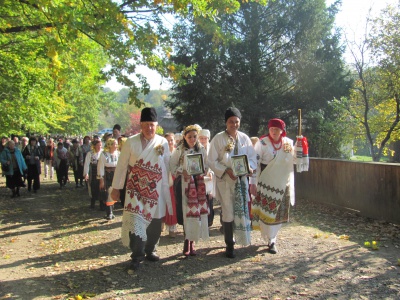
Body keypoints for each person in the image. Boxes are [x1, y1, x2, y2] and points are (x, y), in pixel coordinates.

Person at [110, 107, 171, 270]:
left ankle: (151, 249)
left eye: (152, 125)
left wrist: (171, 183)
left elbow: (167, 164)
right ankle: (137, 255)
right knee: (136, 221)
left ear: (156, 125)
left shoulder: (162, 142)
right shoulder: (131, 142)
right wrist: (116, 188)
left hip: (155, 190)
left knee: (155, 223)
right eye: (146, 124)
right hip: (135, 190)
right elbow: (122, 166)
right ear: (141, 125)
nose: (149, 128)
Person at [208, 107, 257, 258]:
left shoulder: (245, 138)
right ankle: (229, 243)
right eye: (231, 122)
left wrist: (249, 168)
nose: (234, 124)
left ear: (239, 122)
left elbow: (252, 158)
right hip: (226, 181)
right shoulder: (218, 138)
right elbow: (211, 160)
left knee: (241, 210)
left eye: (236, 122)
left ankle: (242, 238)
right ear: (226, 122)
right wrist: (225, 170)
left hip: (241, 181)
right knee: (228, 210)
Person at [250, 118, 296, 254]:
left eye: (277, 129)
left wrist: (301, 148)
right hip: (267, 183)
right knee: (267, 211)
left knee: (278, 213)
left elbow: (295, 160)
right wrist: (253, 183)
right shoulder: (262, 143)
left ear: (282, 130)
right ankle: (270, 238)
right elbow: (255, 164)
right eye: (271, 129)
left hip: (283, 183)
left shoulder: (288, 143)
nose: (274, 131)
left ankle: (273, 238)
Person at [170, 125, 209, 256]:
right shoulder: (180, 150)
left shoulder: (202, 149)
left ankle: (192, 241)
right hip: (184, 184)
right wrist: (182, 171)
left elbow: (207, 165)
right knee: (186, 212)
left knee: (196, 212)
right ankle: (187, 241)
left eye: (194, 136)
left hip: (198, 185)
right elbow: (172, 165)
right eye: (189, 137)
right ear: (185, 137)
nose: (192, 139)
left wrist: (204, 172)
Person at [98, 138, 120, 220]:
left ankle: (111, 211)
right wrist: (101, 180)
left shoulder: (118, 154)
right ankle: (109, 212)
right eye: (114, 144)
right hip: (107, 175)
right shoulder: (104, 154)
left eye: (116, 144)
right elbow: (100, 167)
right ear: (110, 145)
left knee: (114, 193)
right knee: (108, 193)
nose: (116, 146)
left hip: (116, 175)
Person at [198, 129, 215, 227]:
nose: (203, 140)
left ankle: (209, 220)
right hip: (200, 176)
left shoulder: (211, 148)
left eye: (205, 138)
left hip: (210, 176)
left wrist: (211, 171)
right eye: (201, 138)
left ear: (208, 138)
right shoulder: (197, 148)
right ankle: (201, 220)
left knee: (209, 198)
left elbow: (213, 161)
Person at [163, 133, 178, 238]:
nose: (170, 142)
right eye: (167, 140)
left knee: (172, 204)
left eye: (171, 140)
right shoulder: (160, 152)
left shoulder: (177, 152)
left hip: (175, 180)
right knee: (162, 203)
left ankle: (172, 227)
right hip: (163, 180)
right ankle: (161, 223)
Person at [83, 140, 103, 209]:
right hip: (93, 172)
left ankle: (102, 204)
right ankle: (93, 203)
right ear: (94, 146)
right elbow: (87, 164)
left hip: (101, 172)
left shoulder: (103, 153)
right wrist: (86, 173)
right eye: (98, 145)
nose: (99, 147)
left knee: (101, 188)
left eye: (100, 145)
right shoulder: (90, 153)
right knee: (93, 187)